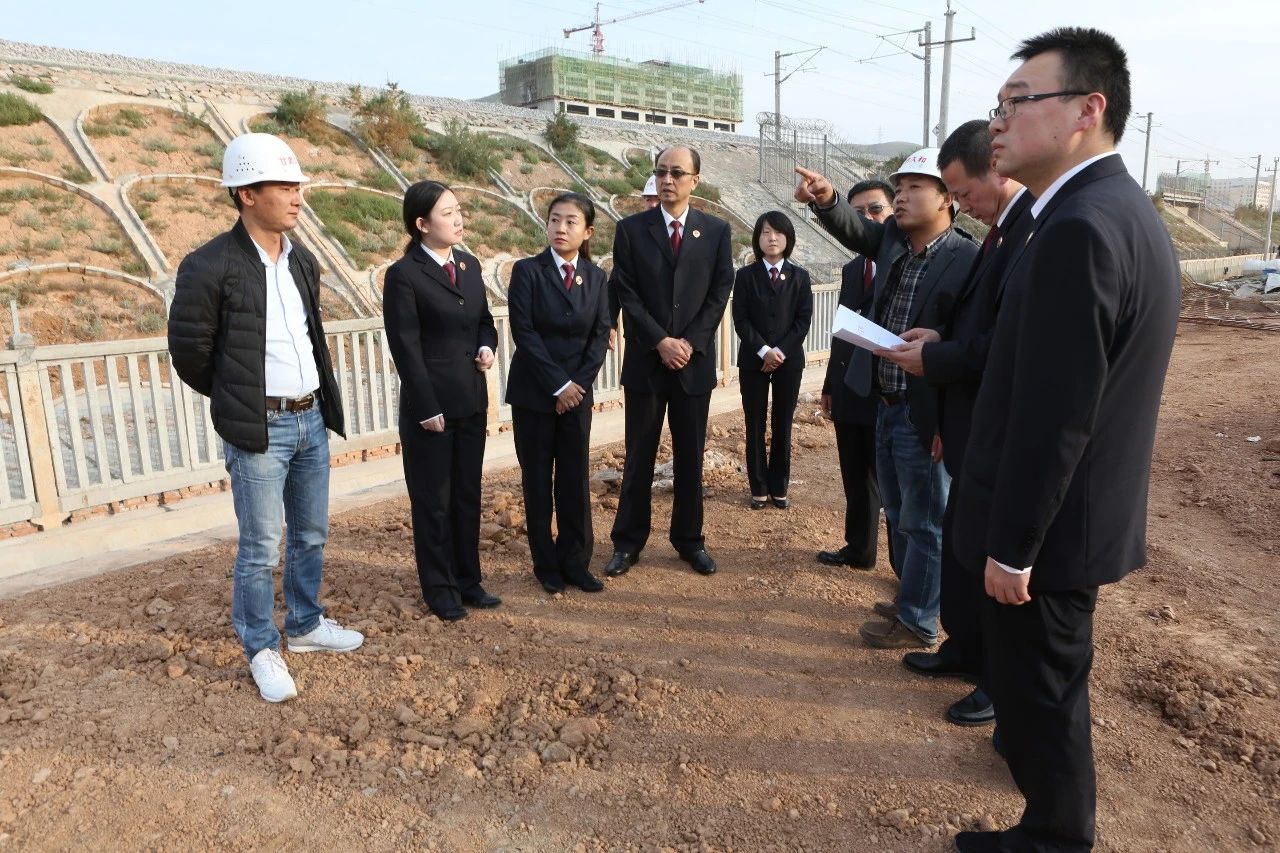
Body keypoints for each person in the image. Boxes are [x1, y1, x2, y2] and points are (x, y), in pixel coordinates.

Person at [950, 28, 1179, 853]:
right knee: (1044, 692)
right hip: (1074, 522)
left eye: (1018, 102)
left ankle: (1054, 838)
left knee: (1043, 696)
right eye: (998, 105)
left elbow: (1058, 413)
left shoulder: (1080, 227)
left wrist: (1013, 548)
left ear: (1087, 110)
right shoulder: (1113, 210)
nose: (998, 122)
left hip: (1048, 536)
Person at [168, 132, 362, 704]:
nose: (298, 197)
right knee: (260, 545)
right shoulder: (208, 266)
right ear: (247, 194)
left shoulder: (302, 260)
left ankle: (304, 624)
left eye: (298, 185)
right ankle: (260, 646)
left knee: (311, 533)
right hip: (261, 427)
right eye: (284, 186)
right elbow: (190, 352)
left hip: (310, 419)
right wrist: (239, 399)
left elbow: (310, 336)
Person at [881, 120, 1033, 729]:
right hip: (966, 420)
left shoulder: (1032, 232)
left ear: (996, 170)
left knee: (974, 549)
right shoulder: (1002, 233)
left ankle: (994, 680)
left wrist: (939, 356)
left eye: (963, 192)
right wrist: (942, 337)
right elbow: (978, 326)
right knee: (961, 545)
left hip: (992, 425)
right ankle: (965, 648)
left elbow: (1008, 342)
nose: (963, 204)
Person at [795, 149, 978, 650]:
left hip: (924, 414)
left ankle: (919, 620)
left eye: (915, 187)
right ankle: (910, 597)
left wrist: (945, 421)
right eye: (898, 188)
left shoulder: (966, 260)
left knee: (927, 521)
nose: (901, 197)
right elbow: (855, 230)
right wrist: (828, 198)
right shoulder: (894, 240)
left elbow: (969, 342)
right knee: (898, 511)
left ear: (947, 198)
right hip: (886, 405)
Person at [605, 145, 734, 579]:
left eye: (677, 172)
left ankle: (689, 540)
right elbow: (626, 291)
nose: (667, 179)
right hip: (647, 361)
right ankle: (627, 542)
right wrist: (661, 340)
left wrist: (690, 343)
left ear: (695, 180)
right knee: (638, 456)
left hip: (692, 365)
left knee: (690, 457)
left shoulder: (715, 231)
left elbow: (719, 291)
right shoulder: (630, 230)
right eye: (661, 172)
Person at [383, 181, 500, 622]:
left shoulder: (468, 265)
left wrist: (487, 347)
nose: (458, 219)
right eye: (447, 213)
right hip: (430, 408)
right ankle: (440, 589)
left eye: (458, 210)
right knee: (434, 502)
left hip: (471, 398)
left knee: (467, 495)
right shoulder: (405, 274)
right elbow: (405, 347)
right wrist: (426, 406)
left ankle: (468, 581)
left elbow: (484, 321)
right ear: (422, 224)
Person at [506, 192, 611, 594]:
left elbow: (600, 336)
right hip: (535, 395)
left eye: (570, 222)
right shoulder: (528, 271)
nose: (560, 228)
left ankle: (576, 561)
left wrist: (577, 386)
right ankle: (545, 564)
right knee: (537, 480)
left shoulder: (596, 277)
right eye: (554, 220)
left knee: (574, 479)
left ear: (587, 232)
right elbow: (525, 332)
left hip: (577, 399)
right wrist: (559, 384)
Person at [817, 180, 894, 570]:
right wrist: (830, 385)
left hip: (887, 392)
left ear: (893, 212)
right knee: (855, 475)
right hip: (849, 389)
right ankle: (859, 549)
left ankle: (904, 567)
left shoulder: (904, 266)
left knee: (894, 486)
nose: (867, 219)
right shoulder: (851, 270)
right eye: (858, 212)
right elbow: (843, 334)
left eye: (875, 210)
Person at [732, 210, 813, 509]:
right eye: (766, 232)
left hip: (789, 362)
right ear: (758, 238)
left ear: (788, 238)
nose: (772, 238)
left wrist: (779, 352)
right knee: (754, 423)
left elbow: (803, 321)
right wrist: (763, 350)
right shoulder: (745, 276)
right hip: (753, 361)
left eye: (778, 232)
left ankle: (779, 486)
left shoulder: (800, 277)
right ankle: (758, 487)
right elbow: (740, 319)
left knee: (783, 423)